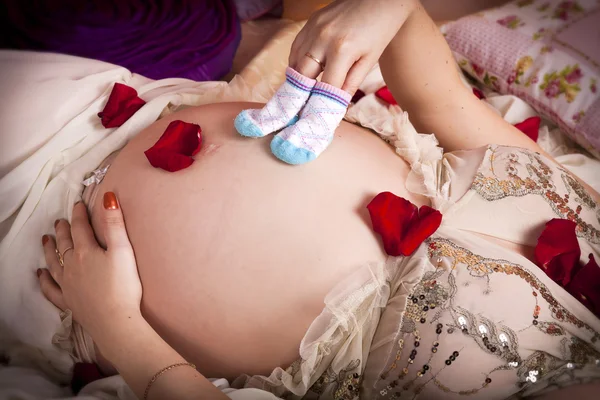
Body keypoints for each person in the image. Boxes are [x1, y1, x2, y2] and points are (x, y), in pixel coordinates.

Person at [37, 0, 600, 399]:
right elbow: (442, 101)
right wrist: (384, 8)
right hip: (120, 109)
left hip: (68, 265)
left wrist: (115, 323)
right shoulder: (594, 215)